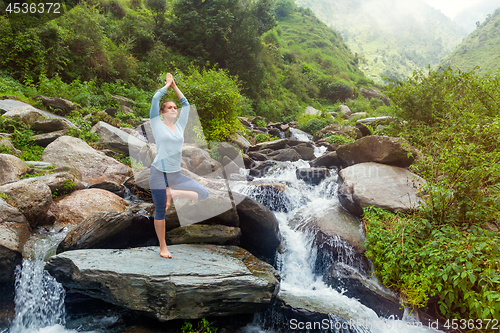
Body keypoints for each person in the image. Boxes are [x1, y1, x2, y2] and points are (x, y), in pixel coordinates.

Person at [149, 73, 209, 258]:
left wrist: (175, 86)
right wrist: (167, 85)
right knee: (160, 212)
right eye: (169, 107)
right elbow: (155, 98)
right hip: (158, 173)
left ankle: (171, 193)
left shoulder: (180, 126)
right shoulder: (156, 123)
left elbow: (187, 105)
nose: (174, 109)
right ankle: (163, 247)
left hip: (175, 175)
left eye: (175, 107)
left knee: (204, 193)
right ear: (162, 112)